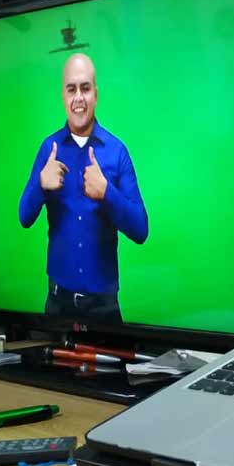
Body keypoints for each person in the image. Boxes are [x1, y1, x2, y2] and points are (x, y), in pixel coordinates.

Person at [19, 53, 148, 321]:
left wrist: (107, 193)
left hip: (104, 309)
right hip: (57, 306)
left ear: (96, 95)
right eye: (71, 89)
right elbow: (24, 216)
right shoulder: (49, 149)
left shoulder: (117, 151)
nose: (79, 97)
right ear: (63, 96)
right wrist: (42, 185)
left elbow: (141, 230)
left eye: (85, 88)